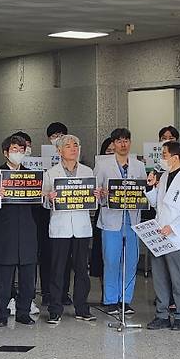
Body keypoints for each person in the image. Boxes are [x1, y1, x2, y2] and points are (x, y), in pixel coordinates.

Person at [42, 134, 99, 325]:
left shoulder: (87, 171)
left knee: (82, 270)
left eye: (76, 145)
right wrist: (49, 198)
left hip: (82, 227)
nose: (73, 149)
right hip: (60, 226)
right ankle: (55, 309)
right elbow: (44, 203)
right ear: (59, 151)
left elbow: (93, 203)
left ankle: (82, 308)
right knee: (58, 269)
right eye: (68, 146)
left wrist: (96, 196)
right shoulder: (50, 173)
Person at [145, 141, 180, 330]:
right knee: (159, 277)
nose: (162, 159)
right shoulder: (165, 176)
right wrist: (151, 188)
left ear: (175, 157)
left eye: (165, 155)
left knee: (177, 278)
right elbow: (157, 205)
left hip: (176, 236)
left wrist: (172, 227)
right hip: (159, 235)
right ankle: (161, 314)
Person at [95, 128, 147, 315]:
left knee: (131, 261)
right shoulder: (103, 165)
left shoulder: (138, 166)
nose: (123, 144)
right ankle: (110, 300)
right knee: (111, 259)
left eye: (126, 141)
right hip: (111, 219)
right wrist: (102, 195)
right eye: (119, 141)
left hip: (132, 220)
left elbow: (144, 193)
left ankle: (125, 299)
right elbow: (97, 192)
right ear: (113, 144)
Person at [0, 135, 39, 327]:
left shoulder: (33, 176)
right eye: (14, 150)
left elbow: (39, 207)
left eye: (21, 150)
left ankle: (24, 312)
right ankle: (2, 313)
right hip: (5, 231)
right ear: (5, 153)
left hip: (27, 230)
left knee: (28, 276)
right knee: (4, 277)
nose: (18, 154)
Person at [38, 122, 72, 307]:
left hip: (67, 214)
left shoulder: (76, 161)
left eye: (61, 135)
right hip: (46, 213)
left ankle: (64, 292)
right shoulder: (41, 160)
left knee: (65, 258)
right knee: (47, 255)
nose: (57, 138)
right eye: (54, 135)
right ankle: (47, 292)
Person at [90, 137, 115, 286]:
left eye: (114, 150)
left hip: (124, 214)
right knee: (103, 255)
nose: (111, 153)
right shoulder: (100, 166)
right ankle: (106, 290)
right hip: (104, 212)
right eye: (108, 151)